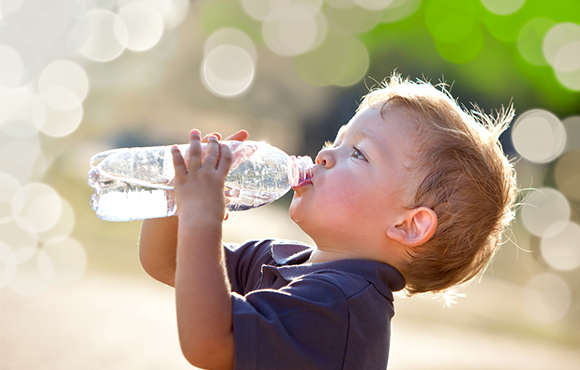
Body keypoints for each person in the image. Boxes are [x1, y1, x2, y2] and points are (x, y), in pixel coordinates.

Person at [138, 72, 517, 370]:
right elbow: (168, 259)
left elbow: (209, 344)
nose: (323, 155)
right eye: (336, 140)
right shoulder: (285, 260)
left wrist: (202, 217)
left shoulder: (340, 307)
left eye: (358, 153)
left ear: (408, 225)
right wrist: (179, 195)